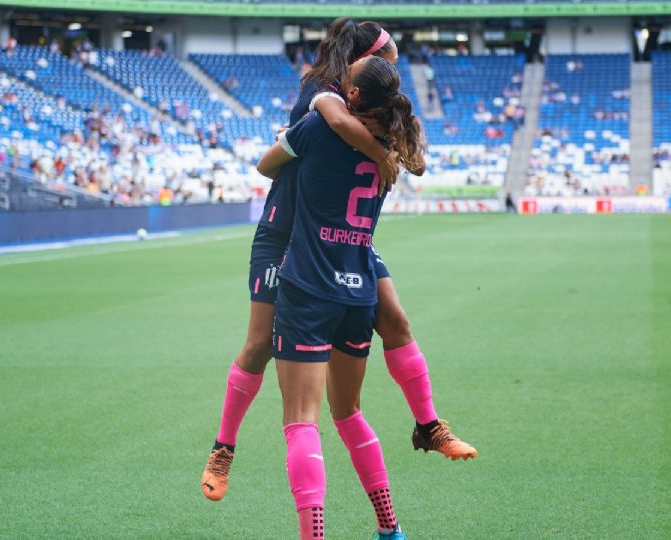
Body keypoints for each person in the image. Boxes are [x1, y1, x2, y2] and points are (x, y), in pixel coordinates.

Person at [201, 19, 475, 504]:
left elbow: (412, 155)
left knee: (395, 320)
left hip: (343, 237)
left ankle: (429, 425)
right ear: (359, 62)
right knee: (261, 342)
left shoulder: (370, 101)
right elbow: (332, 126)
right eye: (387, 60)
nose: (393, 71)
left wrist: (390, 144)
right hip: (288, 233)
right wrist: (376, 148)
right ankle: (223, 448)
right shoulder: (322, 94)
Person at [255, 55, 426, 539]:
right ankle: (390, 529)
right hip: (359, 292)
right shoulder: (391, 145)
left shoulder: (317, 126)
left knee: (301, 423)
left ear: (351, 94)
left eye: (345, 76)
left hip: (309, 286)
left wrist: (298, 136)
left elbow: (267, 166)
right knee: (348, 412)